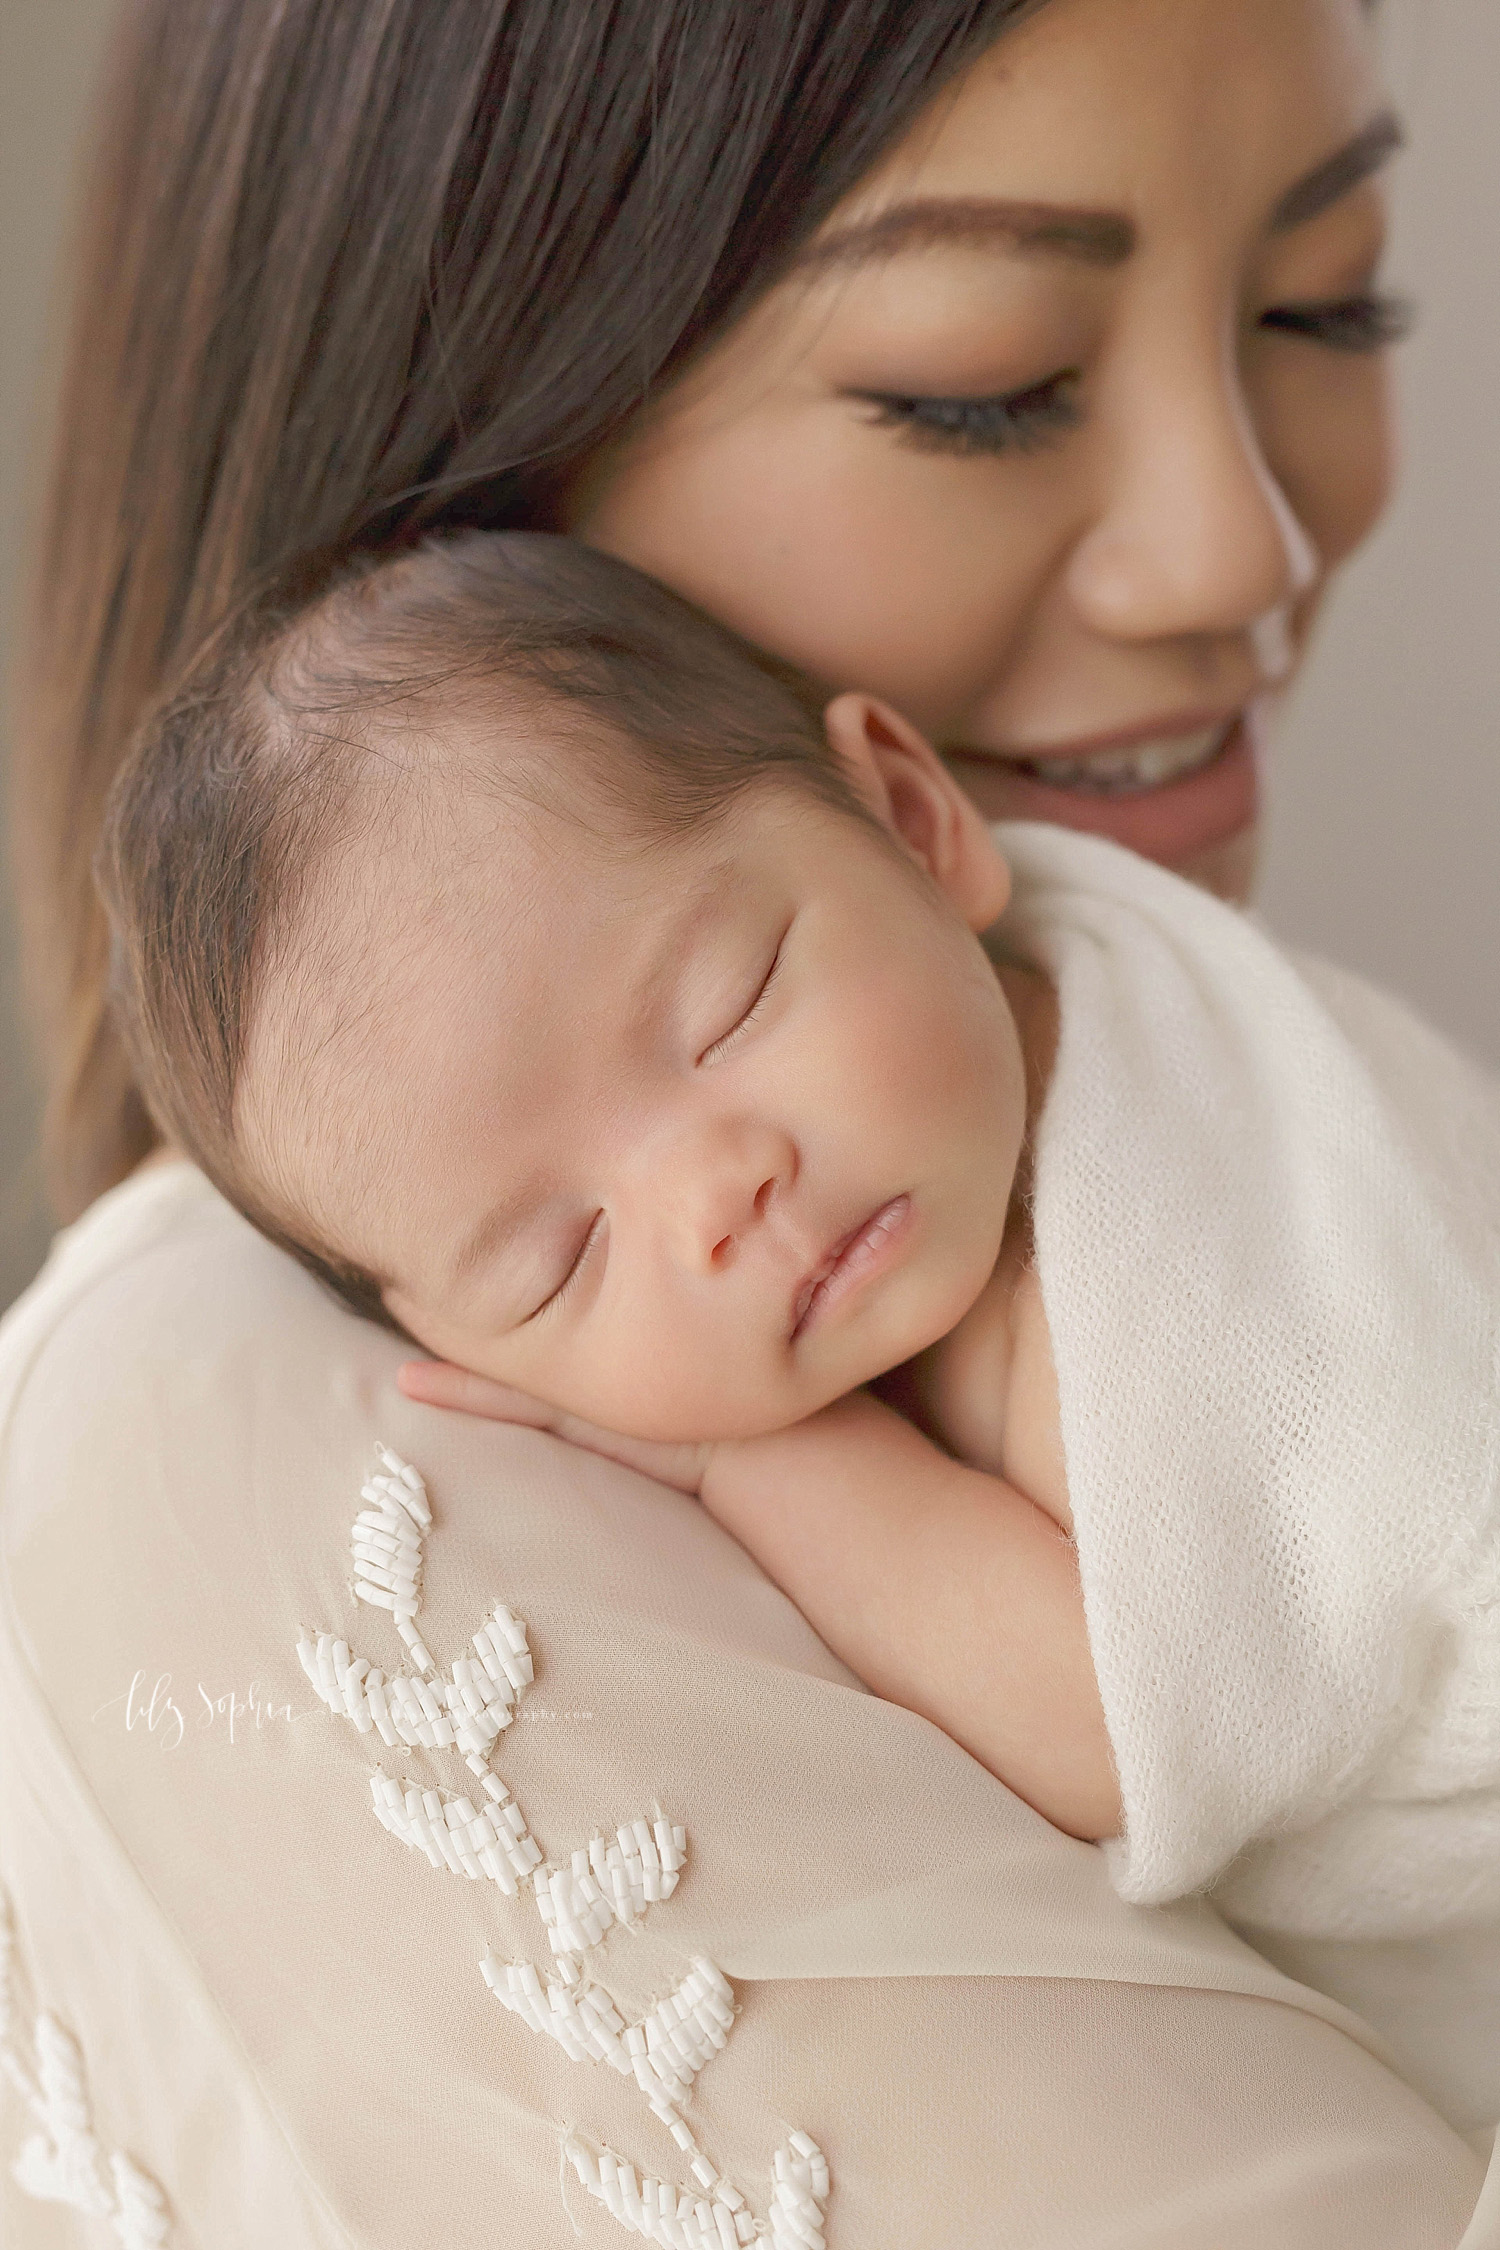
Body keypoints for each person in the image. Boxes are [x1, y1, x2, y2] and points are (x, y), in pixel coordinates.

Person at [3, 0, 1494, 2242]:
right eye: (976, 383)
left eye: (1325, 300)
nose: (1241, 547)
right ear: (472, 414)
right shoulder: (311, 1471)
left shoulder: (1131, 1059)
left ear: (900, 814)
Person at [99, 526, 1500, 2123]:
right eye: (560, 1261)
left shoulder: (1175, 1227)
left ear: (914, 821)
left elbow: (1120, 1720)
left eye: (732, 1002)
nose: (717, 1195)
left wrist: (769, 1473)